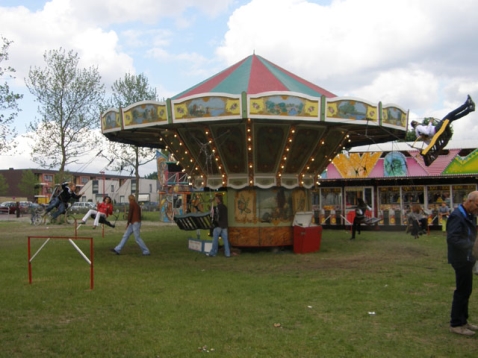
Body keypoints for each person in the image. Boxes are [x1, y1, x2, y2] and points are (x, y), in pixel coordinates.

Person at [447, 191, 478, 336]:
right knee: (462, 291)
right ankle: (456, 324)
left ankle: (464, 321)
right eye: (477, 205)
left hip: (468, 258)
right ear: (469, 201)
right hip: (460, 259)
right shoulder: (457, 216)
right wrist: (471, 245)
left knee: (467, 290)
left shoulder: (470, 215)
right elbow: (453, 238)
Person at [411, 95, 475, 145]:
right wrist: (430, 122)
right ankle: (466, 104)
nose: (418, 123)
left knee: (452, 118)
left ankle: (469, 110)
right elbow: (427, 132)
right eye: (417, 122)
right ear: (415, 123)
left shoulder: (417, 134)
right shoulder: (418, 127)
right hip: (436, 129)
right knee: (451, 114)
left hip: (436, 131)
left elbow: (428, 142)